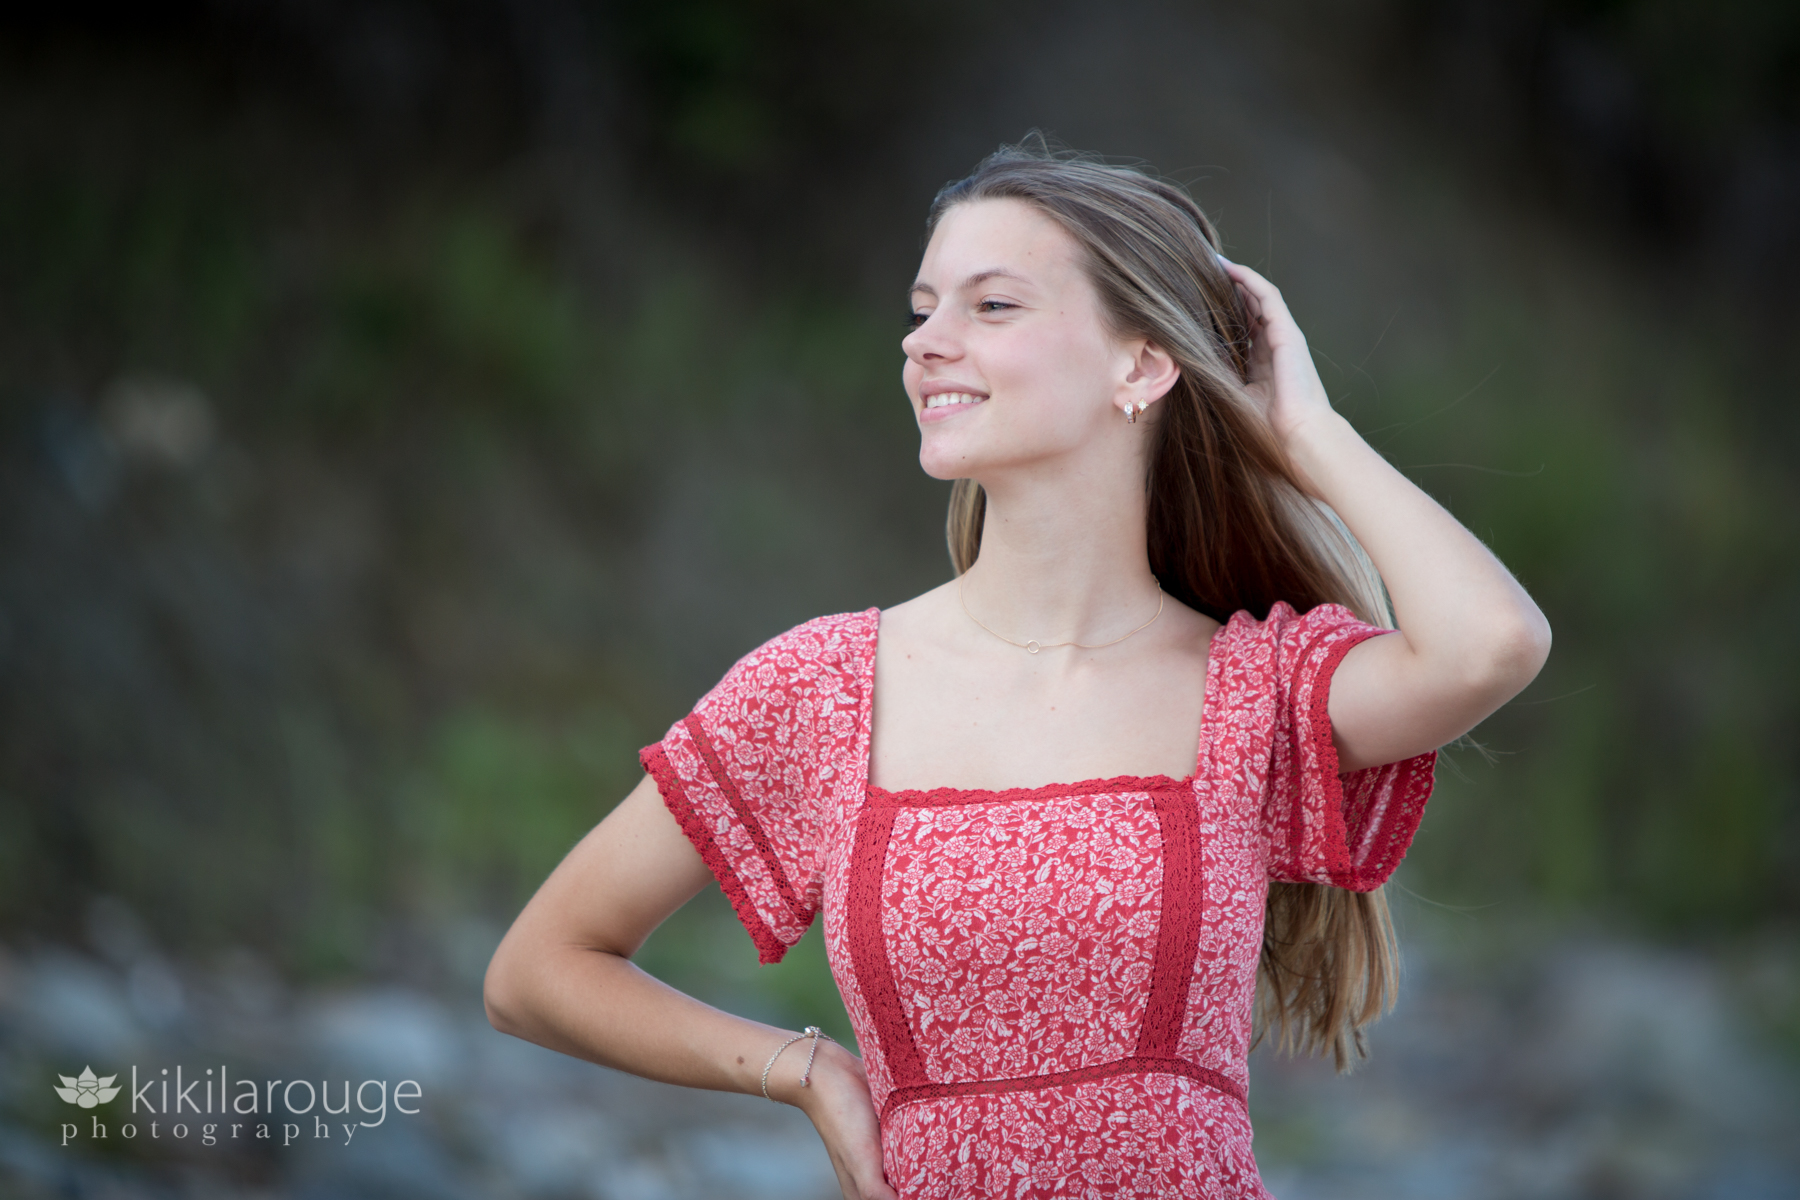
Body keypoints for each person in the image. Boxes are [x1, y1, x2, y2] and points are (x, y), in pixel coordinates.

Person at [483, 141, 1552, 1200]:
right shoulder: (826, 686)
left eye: (991, 308)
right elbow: (540, 970)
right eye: (922, 307)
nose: (925, 344)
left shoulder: (1250, 689)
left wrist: (1305, 431)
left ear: (1140, 364)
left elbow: (1491, 645)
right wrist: (801, 1071)